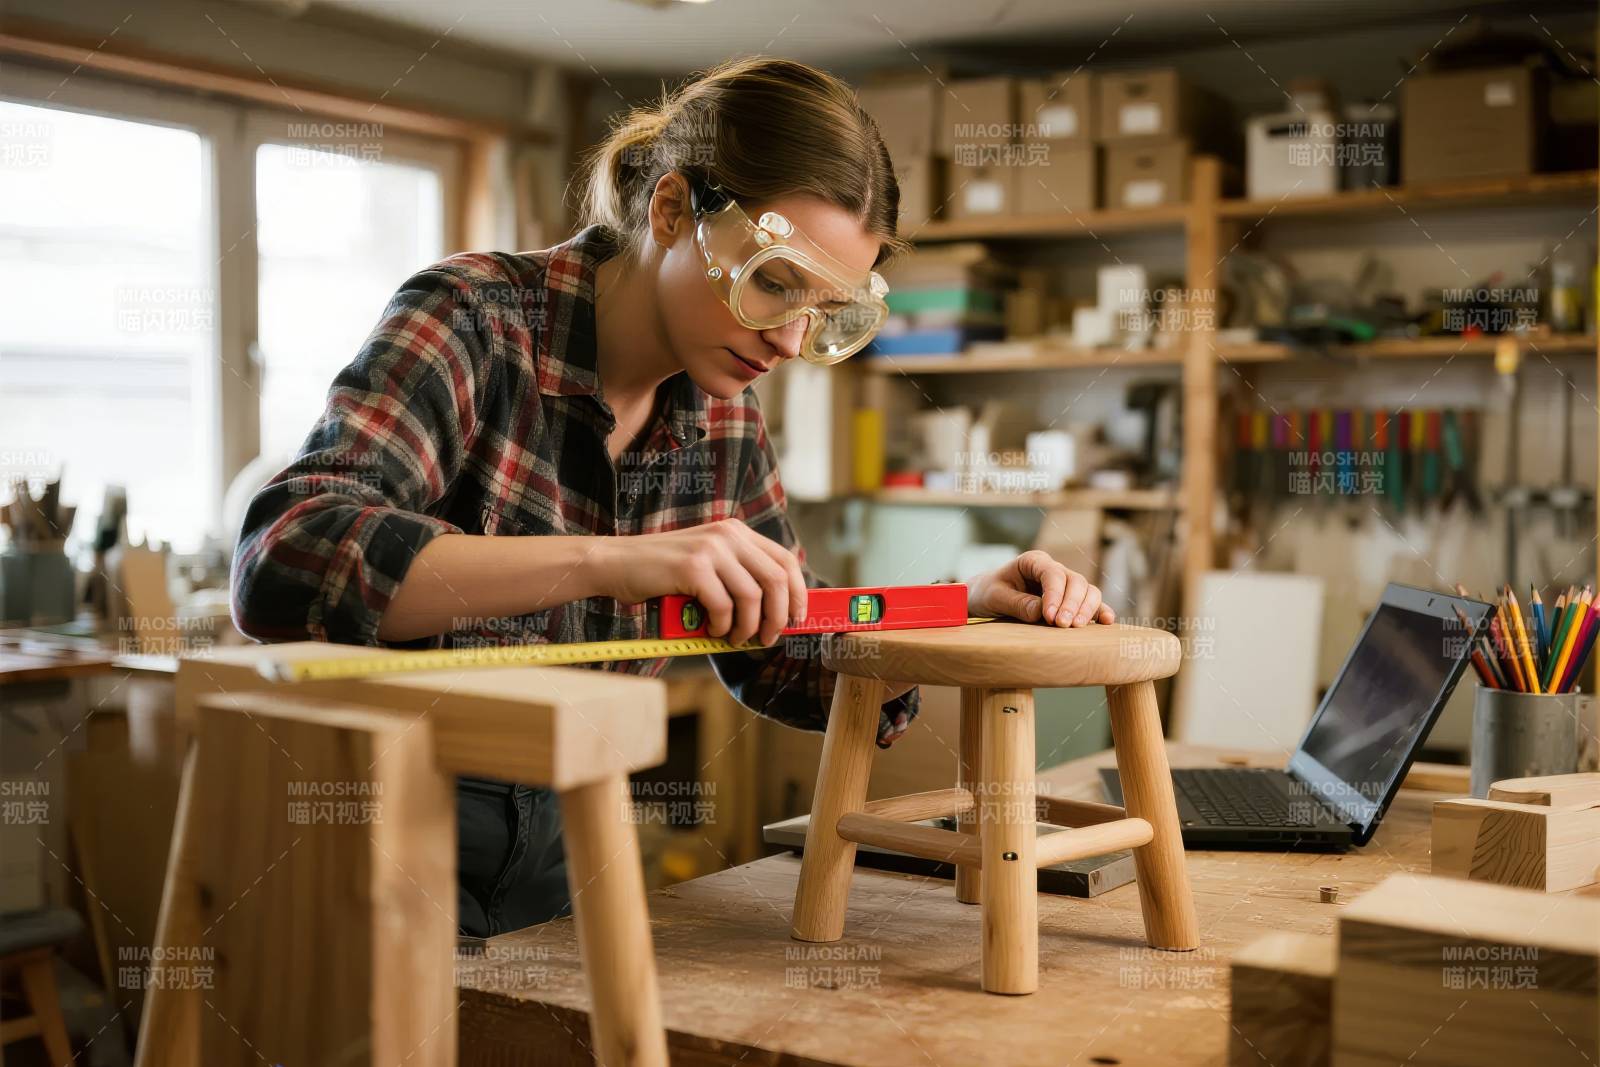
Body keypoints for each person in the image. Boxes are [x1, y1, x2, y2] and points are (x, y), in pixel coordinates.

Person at [230, 55, 1115, 939]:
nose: (790, 339)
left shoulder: (723, 413)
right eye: (773, 282)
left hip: (568, 849)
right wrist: (608, 561)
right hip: (375, 833)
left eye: (823, 309)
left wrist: (955, 613)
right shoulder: (475, 318)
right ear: (670, 210)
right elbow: (284, 558)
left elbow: (786, 651)